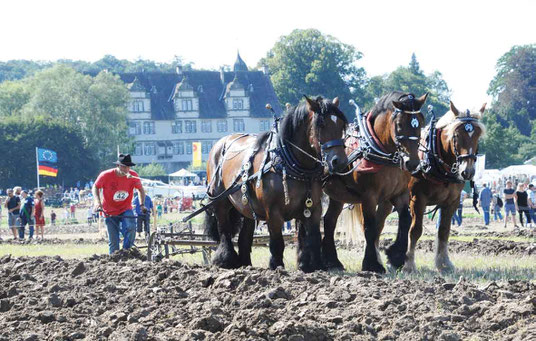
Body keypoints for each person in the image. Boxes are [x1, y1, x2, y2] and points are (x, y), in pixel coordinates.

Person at [92, 154, 146, 254]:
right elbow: (95, 187)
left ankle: (126, 251)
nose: (126, 169)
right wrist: (97, 202)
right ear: (118, 166)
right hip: (109, 210)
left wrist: (142, 204)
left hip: (125, 208)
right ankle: (114, 261)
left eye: (128, 167)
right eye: (124, 167)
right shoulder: (105, 175)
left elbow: (141, 190)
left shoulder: (133, 176)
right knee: (113, 241)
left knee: (131, 227)